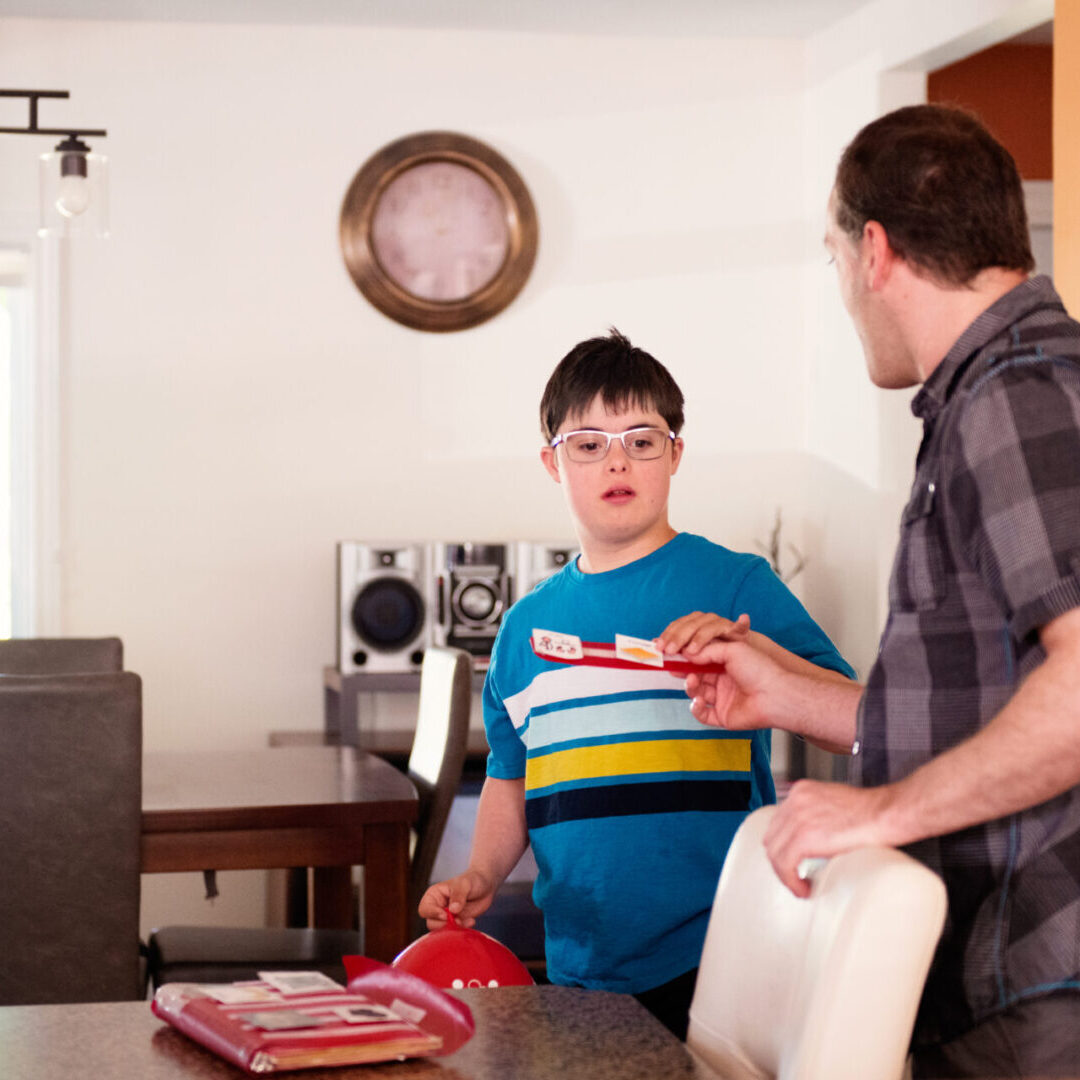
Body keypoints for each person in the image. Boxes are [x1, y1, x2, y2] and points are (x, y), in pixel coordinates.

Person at [660, 104, 1080, 1077]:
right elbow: (983, 705)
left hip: (1039, 973)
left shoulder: (1017, 395)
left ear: (875, 251)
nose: (843, 284)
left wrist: (876, 814)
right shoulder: (991, 397)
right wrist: (790, 696)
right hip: (996, 968)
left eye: (834, 256)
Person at [418, 329, 854, 1039]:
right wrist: (482, 876)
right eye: (587, 444)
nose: (616, 460)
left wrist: (757, 652)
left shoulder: (736, 585)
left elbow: (844, 704)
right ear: (551, 464)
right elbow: (509, 776)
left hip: (721, 941)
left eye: (641, 441)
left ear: (675, 454)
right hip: (581, 956)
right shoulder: (524, 629)